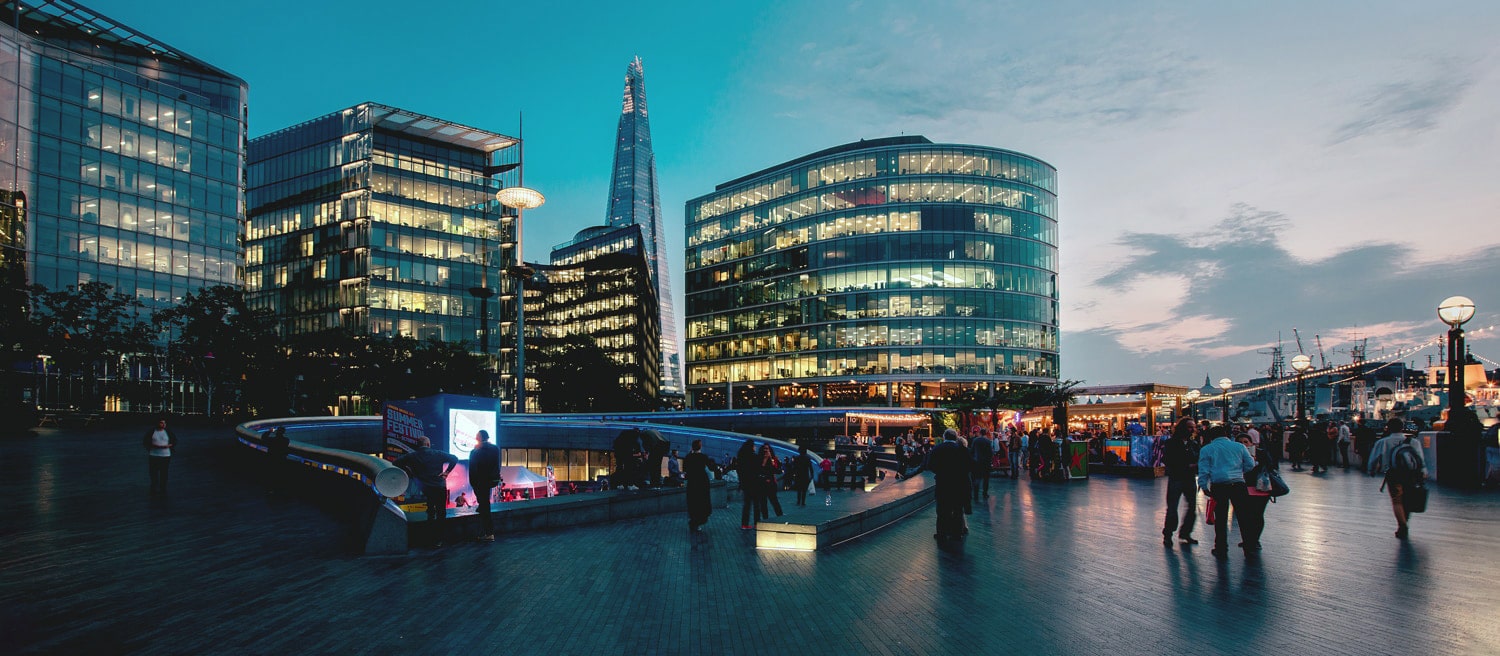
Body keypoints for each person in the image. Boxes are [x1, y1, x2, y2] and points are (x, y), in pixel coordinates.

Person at [1197, 424, 1256, 559]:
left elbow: (1204, 470)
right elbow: (1250, 464)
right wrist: (1240, 472)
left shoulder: (1207, 449)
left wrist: (1203, 486)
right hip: (1238, 484)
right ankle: (1249, 547)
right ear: (1226, 434)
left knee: (1221, 518)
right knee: (1244, 517)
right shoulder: (1239, 447)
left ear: (1211, 437)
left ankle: (1221, 548)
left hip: (1219, 485)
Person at [906, 429, 973, 539]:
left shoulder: (937, 449)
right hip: (958, 484)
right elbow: (968, 465)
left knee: (942, 509)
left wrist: (941, 471)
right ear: (955, 437)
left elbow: (930, 465)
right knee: (957, 508)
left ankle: (941, 532)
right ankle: (956, 533)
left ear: (944, 437)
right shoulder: (961, 449)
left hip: (942, 482)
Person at [1367, 418, 1426, 539]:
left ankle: (1402, 525)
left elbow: (1374, 458)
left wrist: (1371, 470)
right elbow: (1419, 458)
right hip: (1411, 474)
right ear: (1402, 427)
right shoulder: (1413, 442)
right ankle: (1405, 520)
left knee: (1397, 500)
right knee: (1408, 499)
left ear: (1388, 428)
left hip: (1393, 474)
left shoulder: (1383, 442)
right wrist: (1423, 471)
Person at [395, 436, 459, 547]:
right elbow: (454, 458)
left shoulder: (413, 456)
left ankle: (429, 538)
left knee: (430, 513)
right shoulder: (437, 453)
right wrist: (447, 472)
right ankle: (439, 540)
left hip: (425, 488)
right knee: (441, 512)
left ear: (418, 445)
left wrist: (410, 471)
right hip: (439, 487)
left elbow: (396, 462)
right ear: (428, 444)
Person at [1159, 418, 1200, 546]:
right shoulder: (1172, 443)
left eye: (1193, 427)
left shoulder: (1193, 444)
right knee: (1172, 508)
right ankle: (1168, 534)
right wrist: (1186, 466)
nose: (1192, 430)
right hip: (1177, 477)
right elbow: (1167, 459)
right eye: (1189, 427)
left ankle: (1185, 532)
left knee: (1192, 507)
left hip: (1189, 478)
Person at [468, 429, 500, 542]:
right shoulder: (495, 448)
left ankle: (488, 533)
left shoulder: (475, 451)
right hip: (491, 480)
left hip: (480, 482)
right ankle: (488, 532)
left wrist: (473, 483)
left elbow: (472, 470)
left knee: (485, 505)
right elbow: (497, 464)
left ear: (479, 438)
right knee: (484, 503)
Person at [684, 439, 713, 531]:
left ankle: (693, 521)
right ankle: (698, 521)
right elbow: (711, 467)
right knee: (702, 502)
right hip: (702, 482)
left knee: (693, 502)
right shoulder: (703, 457)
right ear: (700, 447)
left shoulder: (688, 457)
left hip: (692, 482)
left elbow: (685, 469)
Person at [143, 418, 177, 496]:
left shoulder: (168, 432)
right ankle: (154, 486)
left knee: (164, 472)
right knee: (153, 472)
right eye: (161, 423)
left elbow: (174, 440)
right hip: (154, 455)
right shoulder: (152, 432)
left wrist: (169, 445)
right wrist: (153, 446)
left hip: (165, 455)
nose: (163, 425)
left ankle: (163, 487)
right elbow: (146, 441)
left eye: (164, 423)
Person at [735, 440, 762, 529]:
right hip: (755, 483)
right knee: (756, 505)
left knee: (747, 504)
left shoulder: (741, 457)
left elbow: (739, 471)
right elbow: (759, 468)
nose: (755, 447)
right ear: (751, 447)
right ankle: (756, 523)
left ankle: (744, 524)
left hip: (745, 484)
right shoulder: (754, 457)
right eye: (754, 446)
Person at [757, 444, 784, 519]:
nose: (766, 450)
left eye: (767, 449)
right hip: (762, 483)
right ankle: (765, 519)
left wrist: (771, 458)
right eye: (764, 448)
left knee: (774, 501)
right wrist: (765, 459)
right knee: (763, 503)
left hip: (771, 484)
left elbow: (777, 470)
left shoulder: (773, 459)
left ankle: (780, 517)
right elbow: (759, 470)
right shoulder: (759, 458)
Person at [264, 426, 290, 495]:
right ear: (283, 432)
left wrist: (270, 431)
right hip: (281, 459)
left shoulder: (271, 440)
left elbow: (263, 437)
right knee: (280, 474)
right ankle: (280, 489)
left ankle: (272, 490)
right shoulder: (286, 440)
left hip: (272, 459)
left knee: (272, 474)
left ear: (276, 432)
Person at [970, 427, 995, 501]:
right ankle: (985, 493)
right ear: (985, 433)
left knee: (977, 478)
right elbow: (990, 452)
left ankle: (976, 495)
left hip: (977, 462)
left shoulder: (975, 440)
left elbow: (972, 450)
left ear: (980, 433)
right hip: (986, 463)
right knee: (986, 479)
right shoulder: (988, 441)